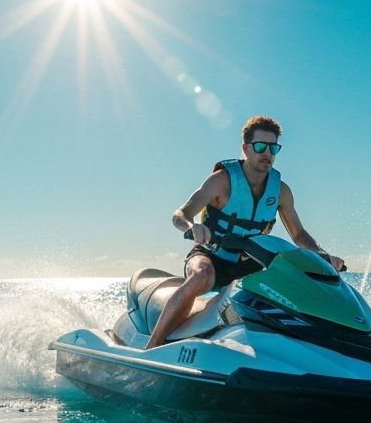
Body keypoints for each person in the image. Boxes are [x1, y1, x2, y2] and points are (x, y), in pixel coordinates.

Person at [144, 115, 345, 349]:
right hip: (211, 256)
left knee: (294, 283)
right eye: (260, 146)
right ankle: (152, 347)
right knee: (201, 275)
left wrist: (322, 257)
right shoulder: (221, 181)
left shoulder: (281, 191)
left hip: (250, 262)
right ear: (246, 148)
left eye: (273, 147)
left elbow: (298, 234)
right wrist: (192, 227)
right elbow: (180, 214)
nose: (267, 153)